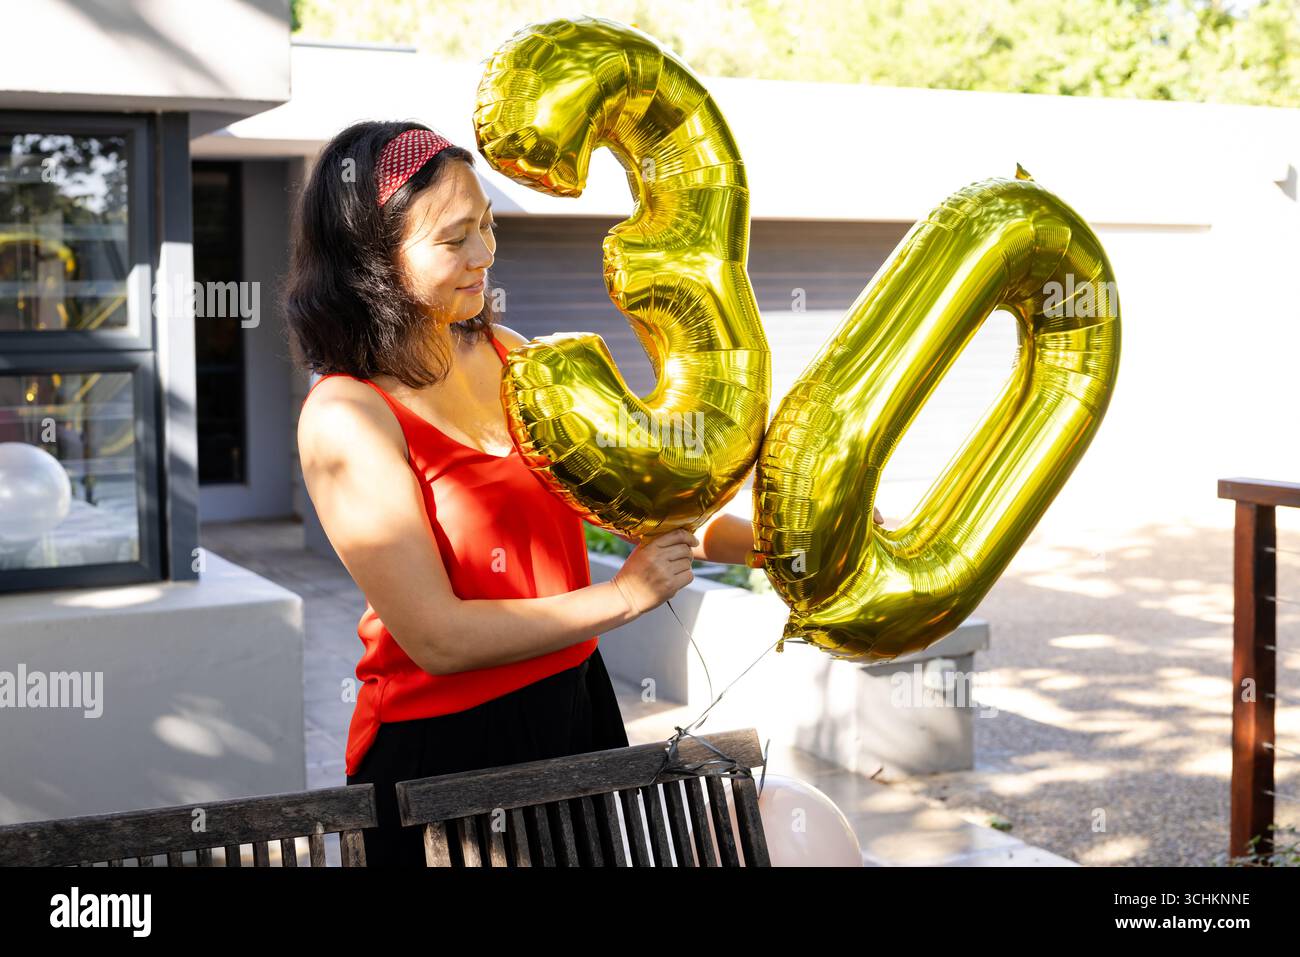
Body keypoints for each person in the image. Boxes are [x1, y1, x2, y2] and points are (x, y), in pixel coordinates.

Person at [284, 120, 761, 867]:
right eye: (454, 238)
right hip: (442, 752)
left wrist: (772, 541)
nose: (483, 256)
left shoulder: (518, 359)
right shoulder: (347, 415)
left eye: (488, 226)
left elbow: (640, 493)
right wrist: (624, 597)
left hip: (574, 706)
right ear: (370, 258)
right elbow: (437, 638)